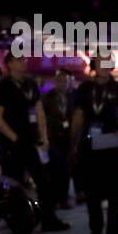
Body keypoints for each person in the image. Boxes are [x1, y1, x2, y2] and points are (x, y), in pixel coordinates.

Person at [0, 53, 70, 231]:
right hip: (12, 143)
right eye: (19, 60)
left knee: (43, 181)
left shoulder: (30, 83)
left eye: (24, 59)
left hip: (31, 140)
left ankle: (48, 219)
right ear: (9, 65)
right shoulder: (4, 86)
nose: (23, 63)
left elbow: (39, 111)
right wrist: (14, 138)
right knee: (14, 184)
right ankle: (18, 223)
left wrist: (44, 136)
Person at [70, 58, 118, 234]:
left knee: (115, 195)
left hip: (113, 146)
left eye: (108, 63)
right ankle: (95, 230)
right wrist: (74, 144)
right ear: (94, 66)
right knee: (92, 194)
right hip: (90, 147)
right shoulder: (84, 89)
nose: (105, 67)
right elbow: (78, 117)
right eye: (101, 63)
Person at [41, 66, 74, 207]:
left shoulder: (72, 97)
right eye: (60, 80)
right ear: (55, 81)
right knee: (55, 169)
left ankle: (64, 199)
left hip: (68, 137)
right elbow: (43, 117)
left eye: (65, 81)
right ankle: (53, 199)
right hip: (53, 136)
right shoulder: (47, 97)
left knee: (66, 169)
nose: (62, 83)